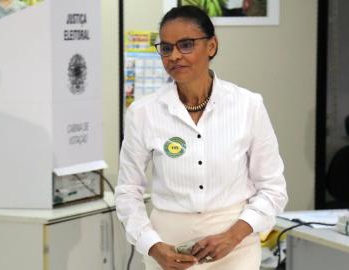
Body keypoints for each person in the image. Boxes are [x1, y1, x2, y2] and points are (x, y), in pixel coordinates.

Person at [115, 5, 288, 270]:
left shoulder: (247, 105)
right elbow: (128, 192)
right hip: (167, 247)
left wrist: (232, 237)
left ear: (211, 46)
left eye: (185, 45)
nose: (174, 56)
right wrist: (152, 245)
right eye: (166, 48)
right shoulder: (143, 112)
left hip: (234, 247)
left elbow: (273, 188)